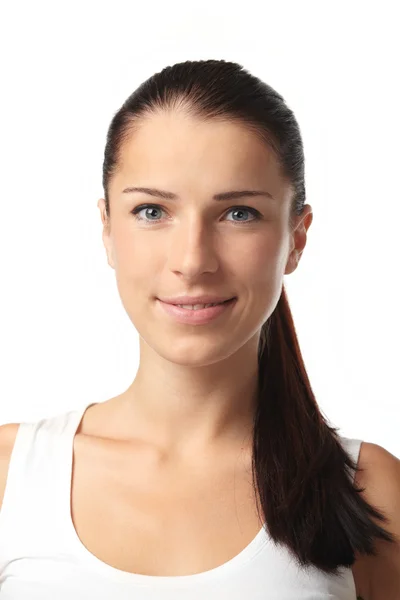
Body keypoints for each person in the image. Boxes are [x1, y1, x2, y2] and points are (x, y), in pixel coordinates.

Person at [0, 59, 399, 599]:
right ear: (107, 231)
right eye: (150, 211)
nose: (192, 261)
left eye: (238, 213)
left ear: (296, 238)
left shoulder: (369, 490)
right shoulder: (11, 477)